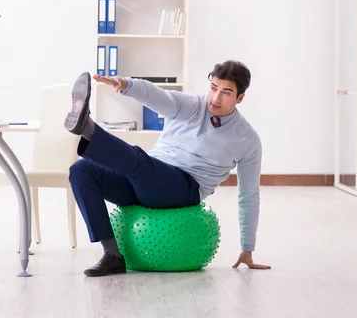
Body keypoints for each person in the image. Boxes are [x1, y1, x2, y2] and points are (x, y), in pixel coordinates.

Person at [64, 60, 271, 277]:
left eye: (226, 93)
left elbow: (248, 195)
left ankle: (87, 128)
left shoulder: (247, 139)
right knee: (81, 170)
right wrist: (125, 83)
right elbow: (157, 95)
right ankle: (112, 255)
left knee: (139, 161)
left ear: (240, 98)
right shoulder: (192, 105)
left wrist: (247, 248)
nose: (216, 98)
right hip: (147, 180)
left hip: (184, 187)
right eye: (213, 88)